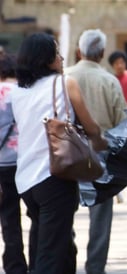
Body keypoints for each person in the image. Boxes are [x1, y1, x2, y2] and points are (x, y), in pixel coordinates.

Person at [10, 32, 107, 274]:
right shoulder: (64, 83)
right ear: (45, 58)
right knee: (51, 253)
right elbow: (91, 125)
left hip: (26, 181)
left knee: (54, 243)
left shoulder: (17, 92)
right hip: (55, 176)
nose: (62, 58)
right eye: (56, 52)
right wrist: (98, 139)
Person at [65, 29, 127, 274]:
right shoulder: (110, 81)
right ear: (102, 53)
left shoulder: (63, 77)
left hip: (67, 154)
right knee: (100, 217)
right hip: (100, 155)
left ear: (79, 51)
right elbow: (122, 123)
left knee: (63, 211)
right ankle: (95, 267)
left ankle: (66, 256)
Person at [0, 53, 28, 274]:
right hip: (26, 163)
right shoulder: (22, 93)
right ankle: (40, 263)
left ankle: (15, 266)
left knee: (9, 219)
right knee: (38, 215)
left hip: (2, 166)